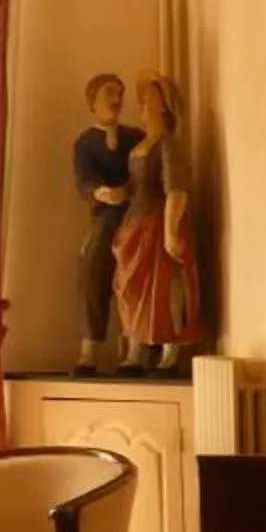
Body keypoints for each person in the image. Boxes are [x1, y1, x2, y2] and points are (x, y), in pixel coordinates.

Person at [112, 73, 202, 373]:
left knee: (164, 288)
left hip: (157, 223)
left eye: (148, 100)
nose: (143, 107)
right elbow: (136, 184)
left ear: (163, 107)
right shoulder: (142, 144)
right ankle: (137, 347)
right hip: (134, 224)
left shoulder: (168, 145)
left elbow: (175, 188)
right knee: (131, 287)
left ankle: (169, 349)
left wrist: (170, 230)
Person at [73, 72, 142, 375]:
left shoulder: (135, 137)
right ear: (93, 102)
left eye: (119, 94)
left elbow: (143, 172)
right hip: (105, 216)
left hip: (136, 215)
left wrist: (128, 190)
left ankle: (134, 348)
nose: (115, 101)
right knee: (93, 272)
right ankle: (90, 347)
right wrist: (103, 192)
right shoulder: (85, 143)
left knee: (136, 277)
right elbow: (84, 182)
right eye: (108, 94)